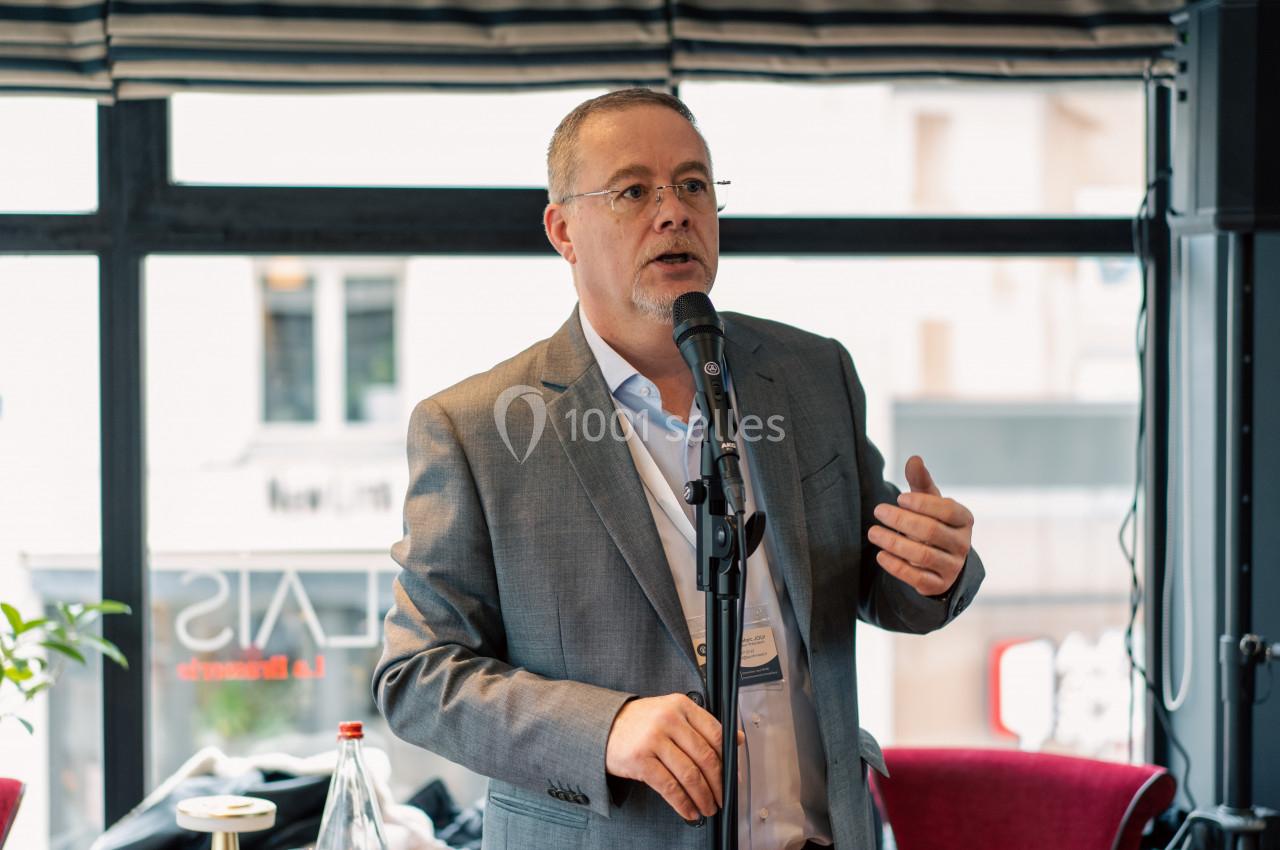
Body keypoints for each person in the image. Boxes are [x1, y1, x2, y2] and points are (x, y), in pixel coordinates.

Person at [373, 88, 984, 850]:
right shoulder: (475, 430)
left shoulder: (811, 373)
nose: (674, 211)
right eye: (634, 191)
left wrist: (933, 568)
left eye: (693, 185)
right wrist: (607, 730)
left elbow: (872, 577)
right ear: (563, 230)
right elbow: (417, 679)